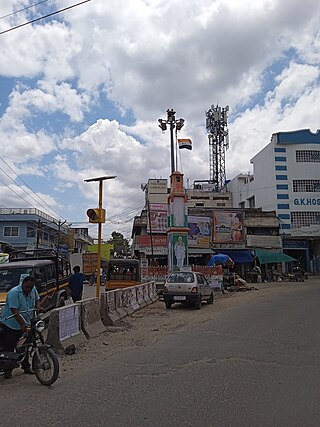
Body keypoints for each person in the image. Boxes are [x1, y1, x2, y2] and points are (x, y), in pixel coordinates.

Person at [0, 275, 41, 379]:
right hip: (11, 324)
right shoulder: (14, 293)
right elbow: (15, 312)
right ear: (23, 283)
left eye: (31, 287)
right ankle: (7, 370)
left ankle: (26, 367)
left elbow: (37, 299)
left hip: (26, 323)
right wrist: (22, 324)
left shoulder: (33, 289)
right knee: (9, 347)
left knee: (25, 346)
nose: (29, 290)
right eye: (27, 287)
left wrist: (38, 307)